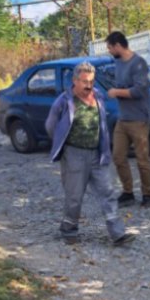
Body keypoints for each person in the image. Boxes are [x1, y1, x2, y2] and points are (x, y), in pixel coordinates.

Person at [45, 62, 135, 246]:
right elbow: (50, 126)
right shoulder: (64, 101)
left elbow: (102, 125)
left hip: (97, 154)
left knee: (107, 192)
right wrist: (63, 145)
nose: (88, 85)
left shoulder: (98, 97)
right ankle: (69, 229)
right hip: (74, 155)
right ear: (75, 81)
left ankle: (117, 234)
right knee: (74, 196)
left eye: (92, 82)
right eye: (85, 81)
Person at [105, 31, 150, 208]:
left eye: (110, 47)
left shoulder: (138, 63)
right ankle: (128, 192)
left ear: (118, 45)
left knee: (142, 159)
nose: (109, 51)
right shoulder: (118, 63)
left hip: (139, 119)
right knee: (118, 156)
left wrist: (116, 92)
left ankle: (147, 194)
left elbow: (139, 90)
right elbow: (122, 86)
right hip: (122, 118)